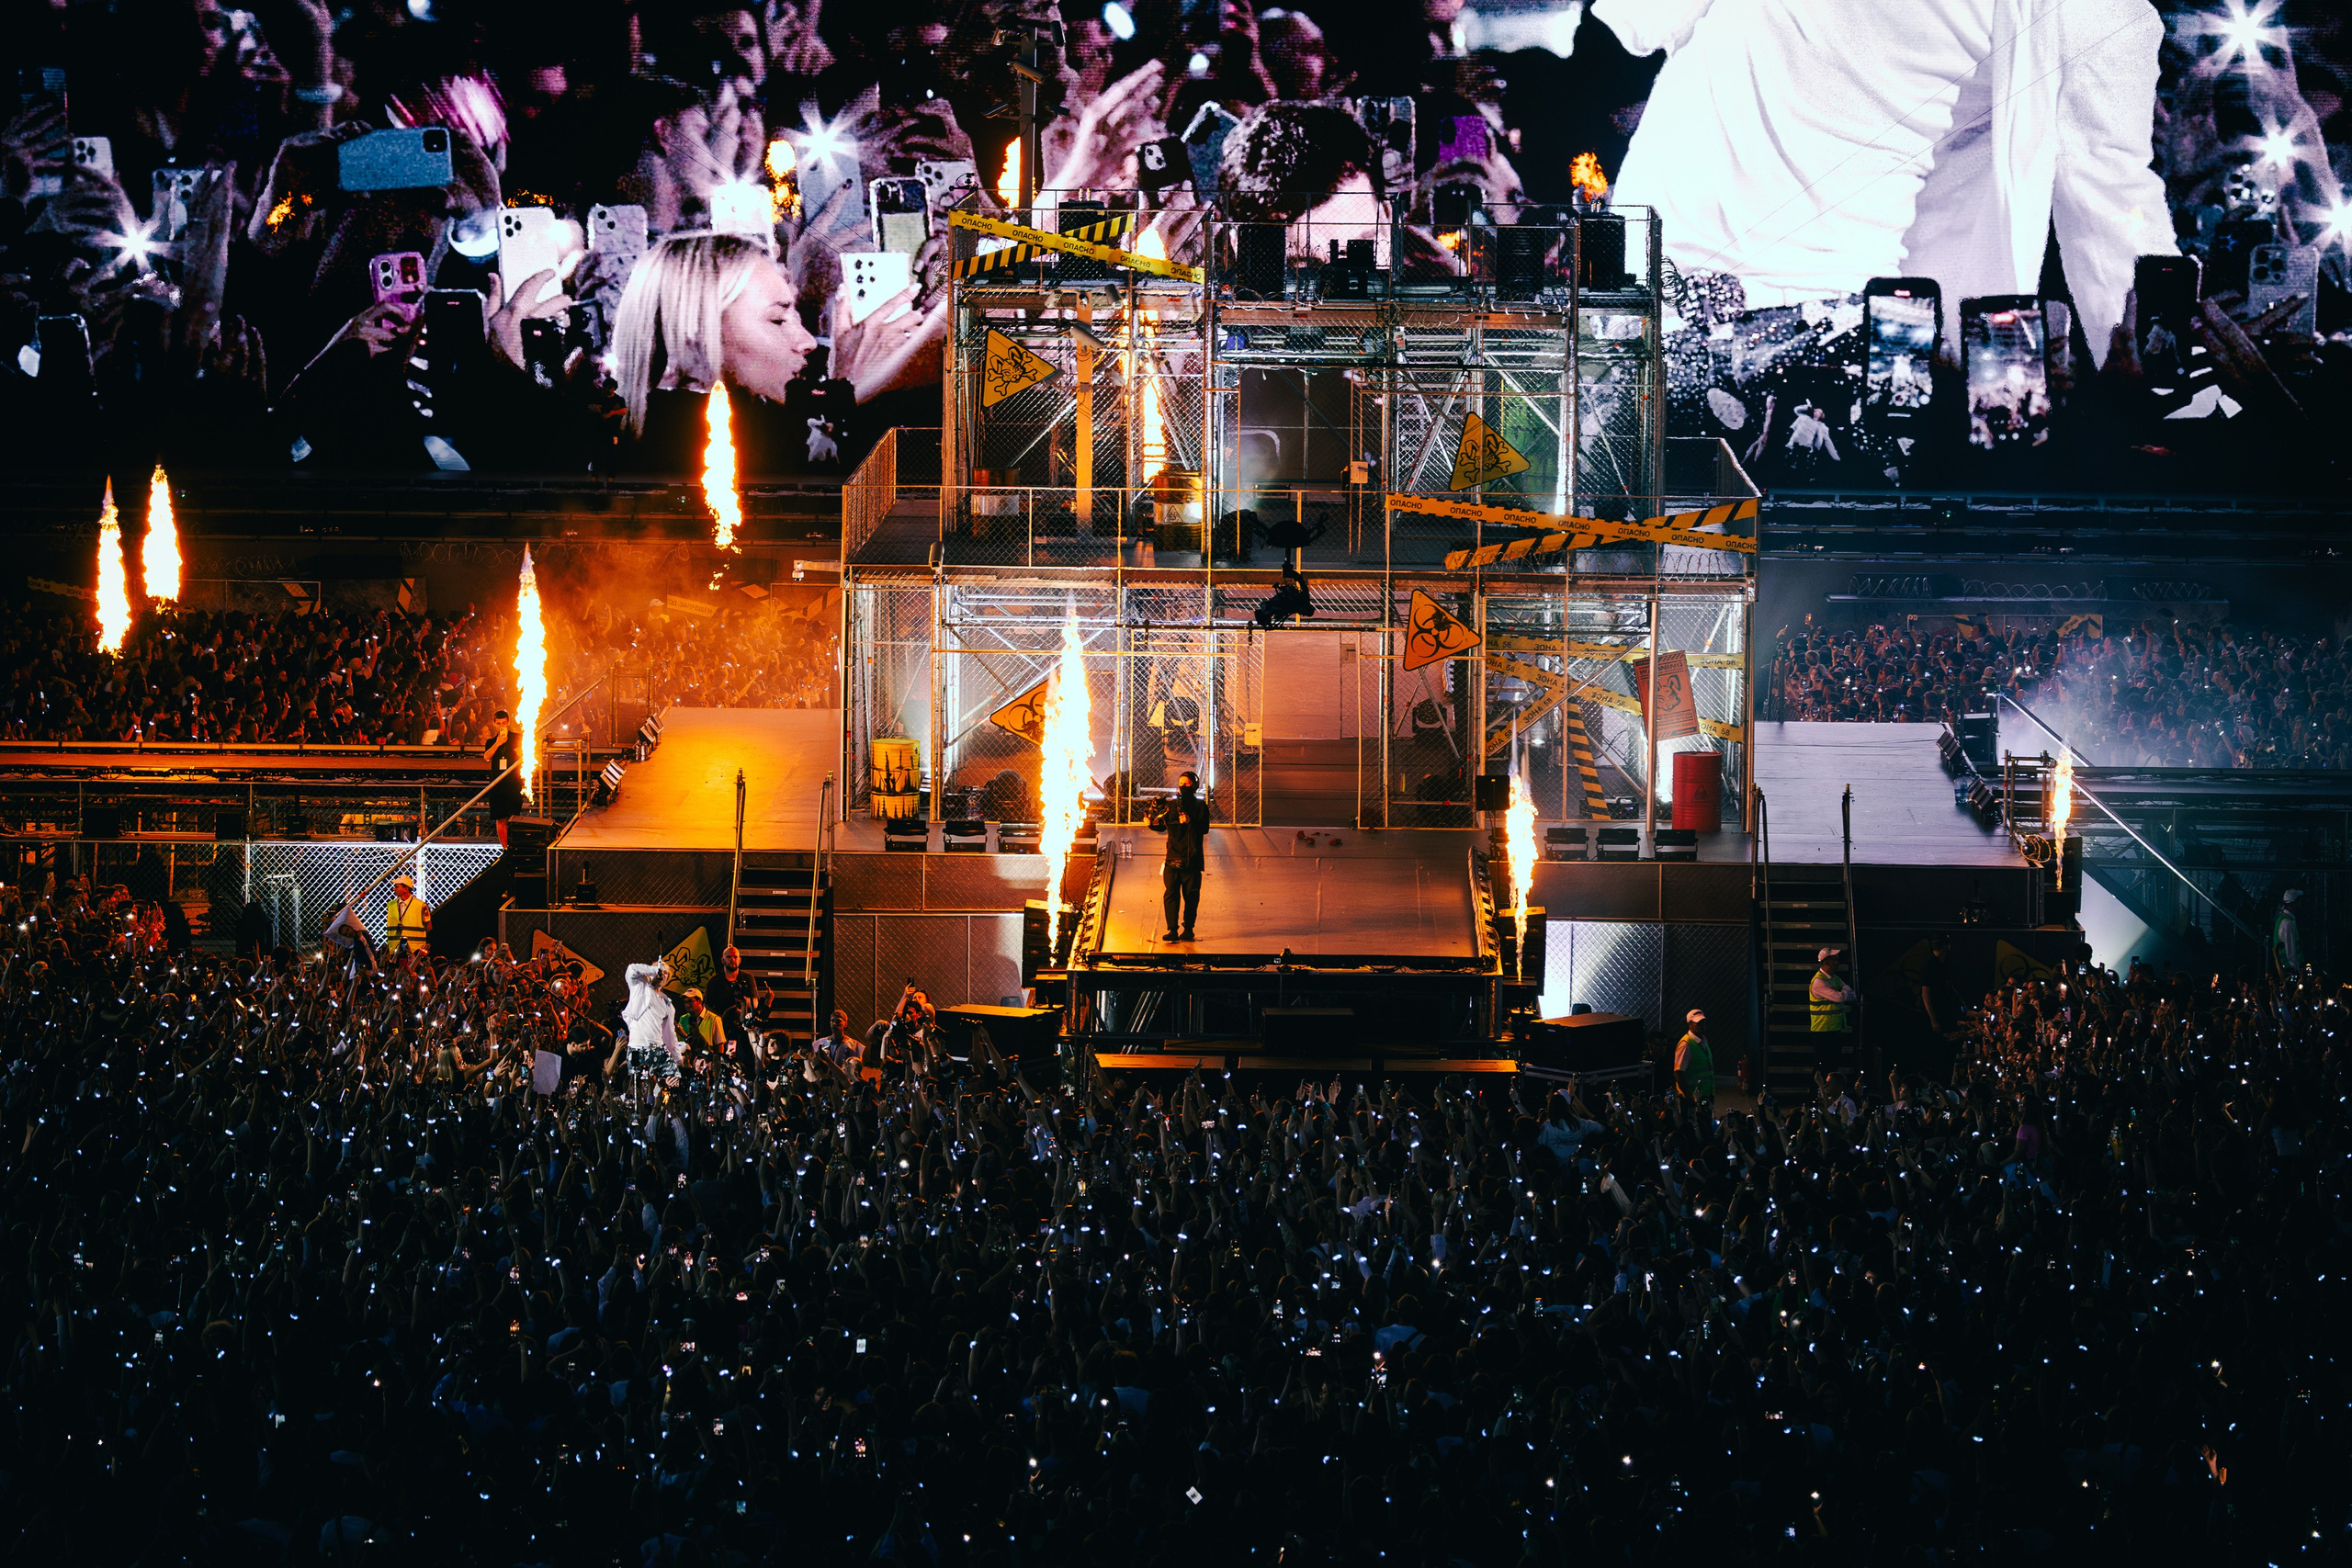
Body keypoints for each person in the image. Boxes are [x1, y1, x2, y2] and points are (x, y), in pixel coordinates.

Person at [1598, 0, 2171, 367]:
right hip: (1820, 326)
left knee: (1620, 503)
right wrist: (2172, 369)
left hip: (1657, 281)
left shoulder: (2097, 14)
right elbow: (2117, 215)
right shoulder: (2100, 13)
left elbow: (1636, 23)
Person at [1153, 771, 1212, 942]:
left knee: (1191, 896)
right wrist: (1151, 824)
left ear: (1194, 786)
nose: (1182, 787)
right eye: (1180, 783)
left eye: (1186, 784)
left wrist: (1190, 821)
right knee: (1171, 894)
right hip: (1172, 858)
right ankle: (1172, 929)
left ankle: (1188, 929)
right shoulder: (1172, 806)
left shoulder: (1200, 806)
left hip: (1191, 860)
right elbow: (1163, 825)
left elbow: (1204, 828)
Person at [622, 956, 682, 1089]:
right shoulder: (639, 986)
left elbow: (670, 1033)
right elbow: (632, 969)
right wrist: (654, 970)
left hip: (658, 1048)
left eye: (665, 973)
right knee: (638, 1088)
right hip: (638, 1047)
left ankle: (662, 1100)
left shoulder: (667, 1003)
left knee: (675, 1079)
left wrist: (677, 1058)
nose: (662, 974)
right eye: (660, 971)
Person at [1809, 944, 1858, 1066]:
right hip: (1823, 1030)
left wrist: (1844, 993)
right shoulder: (1819, 981)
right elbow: (1839, 997)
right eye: (1834, 960)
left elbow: (1849, 994)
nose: (1837, 962)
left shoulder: (1833, 978)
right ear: (1826, 962)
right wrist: (1844, 992)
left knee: (1833, 1063)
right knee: (1823, 1065)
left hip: (1833, 1028)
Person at [483, 710, 525, 850]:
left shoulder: (518, 738)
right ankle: (505, 848)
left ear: (508, 723)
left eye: (504, 723)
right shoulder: (491, 741)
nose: (502, 726)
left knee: (514, 817)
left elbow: (527, 756)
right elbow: (486, 757)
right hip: (497, 784)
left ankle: (515, 846)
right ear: (494, 724)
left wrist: (521, 754)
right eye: (499, 723)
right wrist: (497, 743)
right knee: (500, 818)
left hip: (513, 783)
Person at [1672, 1008, 1714, 1107]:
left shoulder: (1703, 1042)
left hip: (1705, 1095)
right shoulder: (1686, 1044)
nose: (1701, 1025)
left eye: (1703, 1022)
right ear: (1689, 1024)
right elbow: (1678, 1073)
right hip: (1693, 1098)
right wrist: (1689, 1096)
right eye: (1698, 1023)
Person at [384, 873, 432, 961]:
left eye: (397, 887)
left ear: (406, 889)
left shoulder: (420, 906)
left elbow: (428, 927)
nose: (394, 889)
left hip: (415, 952)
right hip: (395, 951)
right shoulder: (391, 905)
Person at [2274, 888, 2304, 974]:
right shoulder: (2288, 923)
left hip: (2285, 968)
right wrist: (2297, 970)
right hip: (2290, 969)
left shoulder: (2282, 918)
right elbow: (2290, 950)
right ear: (2294, 903)